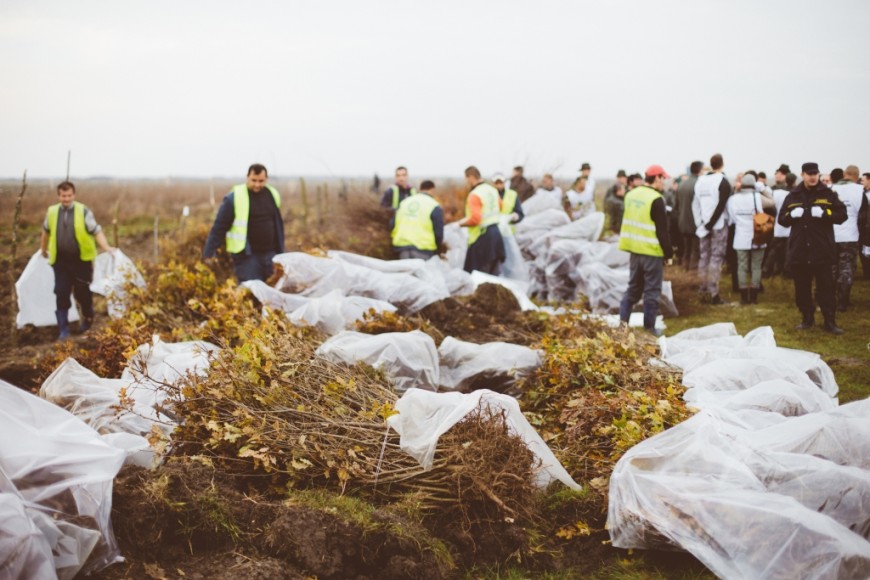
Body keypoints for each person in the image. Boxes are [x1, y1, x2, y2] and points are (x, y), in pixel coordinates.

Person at [40, 181, 115, 339]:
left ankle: (88, 318)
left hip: (82, 261)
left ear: (73, 195)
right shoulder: (52, 212)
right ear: (58, 196)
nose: (66, 199)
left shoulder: (83, 211)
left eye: (68, 195)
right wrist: (43, 249)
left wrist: (106, 247)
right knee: (61, 292)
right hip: (60, 262)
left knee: (82, 293)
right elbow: (45, 232)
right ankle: (63, 329)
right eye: (62, 195)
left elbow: (96, 231)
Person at [778, 162, 847, 334]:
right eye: (809, 174)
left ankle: (829, 321)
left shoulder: (828, 193)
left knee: (826, 288)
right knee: (802, 288)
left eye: (815, 173)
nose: (813, 176)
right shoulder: (793, 195)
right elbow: (782, 219)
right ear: (802, 175)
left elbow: (842, 215)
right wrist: (791, 216)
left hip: (821, 249)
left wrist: (825, 214)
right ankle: (806, 318)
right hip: (800, 250)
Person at [203, 163, 285, 282]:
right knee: (251, 293)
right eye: (254, 180)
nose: (257, 184)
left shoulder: (273, 194)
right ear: (247, 177)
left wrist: (280, 250)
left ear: (266, 179)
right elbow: (219, 227)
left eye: (261, 181)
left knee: (273, 291)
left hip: (270, 254)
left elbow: (277, 224)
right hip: (247, 257)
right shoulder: (234, 197)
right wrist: (209, 253)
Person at [618, 165, 674, 336]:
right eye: (663, 178)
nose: (664, 182)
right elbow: (662, 231)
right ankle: (649, 328)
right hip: (651, 252)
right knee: (652, 291)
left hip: (634, 251)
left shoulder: (630, 195)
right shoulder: (656, 199)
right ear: (656, 178)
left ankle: (622, 325)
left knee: (633, 288)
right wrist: (669, 254)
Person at [726, 174, 775, 304]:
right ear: (754, 184)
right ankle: (753, 297)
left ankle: (743, 297)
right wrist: (762, 188)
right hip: (757, 235)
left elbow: (731, 219)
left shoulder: (733, 199)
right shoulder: (757, 197)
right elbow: (772, 201)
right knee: (756, 267)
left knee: (741, 267)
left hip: (740, 236)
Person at [693, 153, 732, 304]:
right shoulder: (722, 181)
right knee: (716, 258)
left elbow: (695, 203)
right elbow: (721, 205)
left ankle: (702, 289)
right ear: (722, 164)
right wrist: (710, 223)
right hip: (718, 225)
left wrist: (700, 223)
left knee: (704, 257)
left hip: (703, 224)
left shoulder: (700, 181)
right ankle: (713, 293)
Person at [831, 165, 867, 310]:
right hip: (850, 235)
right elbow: (864, 217)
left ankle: (830, 297)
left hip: (832, 234)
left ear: (844, 174)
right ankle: (843, 300)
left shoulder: (831, 188)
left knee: (832, 267)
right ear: (857, 176)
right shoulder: (860, 191)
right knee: (847, 268)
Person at [458, 166, 504, 274]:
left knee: (478, 277)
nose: (467, 182)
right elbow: (501, 206)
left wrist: (460, 224)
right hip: (497, 236)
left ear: (471, 177)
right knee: (492, 276)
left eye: (466, 179)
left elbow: (475, 219)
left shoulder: (475, 194)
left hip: (482, 239)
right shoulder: (492, 190)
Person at [391, 180, 444, 260]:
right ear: (432, 190)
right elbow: (438, 233)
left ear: (420, 189)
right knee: (422, 272)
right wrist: (437, 249)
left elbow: (392, 224)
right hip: (424, 249)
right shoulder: (434, 205)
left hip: (402, 248)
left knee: (405, 272)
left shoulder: (404, 202)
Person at [763, 172, 798, 278]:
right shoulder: (794, 194)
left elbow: (771, 207)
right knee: (789, 251)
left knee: (773, 251)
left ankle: (766, 271)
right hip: (790, 226)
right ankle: (787, 273)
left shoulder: (776, 192)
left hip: (778, 226)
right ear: (795, 182)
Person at [674, 161, 703, 270]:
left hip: (682, 222)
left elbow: (676, 205)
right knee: (695, 250)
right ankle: (692, 275)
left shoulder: (681, 184)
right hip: (695, 222)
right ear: (700, 170)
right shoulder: (699, 184)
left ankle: (685, 272)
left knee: (686, 249)